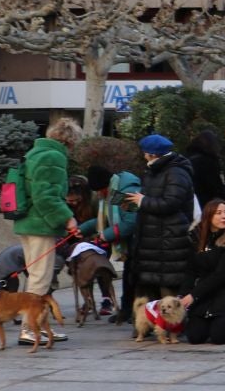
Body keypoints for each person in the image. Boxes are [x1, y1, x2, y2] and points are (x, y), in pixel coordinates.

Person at [11, 116, 81, 303]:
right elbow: (45, 195)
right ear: (70, 141)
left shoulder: (35, 152)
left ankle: (35, 326)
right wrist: (68, 218)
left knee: (34, 275)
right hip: (40, 225)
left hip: (26, 221)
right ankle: (30, 329)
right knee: (40, 279)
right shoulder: (53, 156)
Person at [130, 134, 196, 309]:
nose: (143, 156)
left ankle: (174, 325)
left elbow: (172, 203)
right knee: (151, 284)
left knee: (169, 285)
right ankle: (152, 323)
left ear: (152, 154)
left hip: (170, 238)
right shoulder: (154, 170)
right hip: (154, 238)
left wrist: (143, 201)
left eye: (145, 153)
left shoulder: (176, 172)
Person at [182, 199, 225, 345]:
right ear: (208, 216)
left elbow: (221, 274)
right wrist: (182, 295)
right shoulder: (196, 238)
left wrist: (193, 295)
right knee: (195, 338)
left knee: (218, 337)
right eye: (218, 213)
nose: (224, 216)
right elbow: (191, 271)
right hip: (205, 294)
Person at [79, 167, 139, 319]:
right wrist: (82, 229)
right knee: (128, 275)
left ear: (106, 186)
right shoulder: (112, 192)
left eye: (100, 191)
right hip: (130, 243)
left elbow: (131, 222)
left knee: (133, 277)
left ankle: (132, 311)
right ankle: (126, 309)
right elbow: (105, 219)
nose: (99, 195)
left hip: (138, 241)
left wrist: (105, 235)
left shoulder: (122, 193)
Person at [185, 130, 225, 206]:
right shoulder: (210, 161)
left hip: (194, 202)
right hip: (210, 203)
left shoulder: (189, 159)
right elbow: (217, 186)